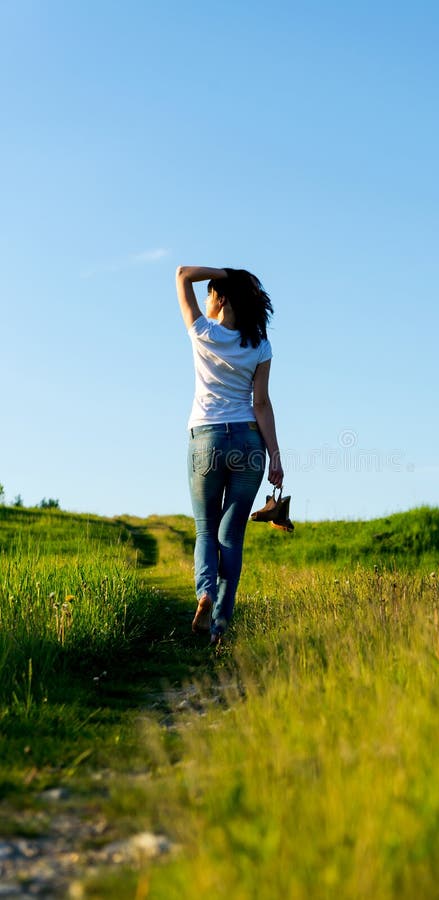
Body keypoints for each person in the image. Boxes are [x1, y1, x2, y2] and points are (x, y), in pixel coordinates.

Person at [175, 265, 284, 645]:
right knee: (232, 536)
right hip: (249, 444)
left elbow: (182, 274)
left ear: (220, 298)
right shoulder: (259, 345)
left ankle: (204, 594)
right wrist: (275, 456)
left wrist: (224, 272)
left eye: (211, 294)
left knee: (206, 528)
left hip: (205, 438)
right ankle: (220, 627)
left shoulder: (203, 333)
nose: (205, 300)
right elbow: (262, 403)